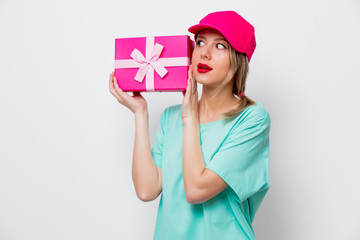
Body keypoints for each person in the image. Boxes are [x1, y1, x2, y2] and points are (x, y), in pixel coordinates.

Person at [109, 10, 270, 240]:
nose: (204, 53)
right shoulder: (170, 117)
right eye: (201, 42)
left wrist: (190, 118)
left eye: (220, 46)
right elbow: (147, 189)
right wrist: (140, 113)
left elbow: (196, 190)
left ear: (239, 59)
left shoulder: (252, 119)